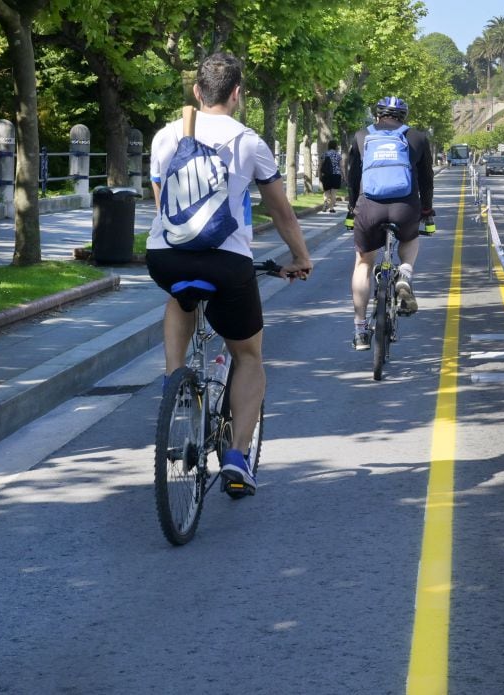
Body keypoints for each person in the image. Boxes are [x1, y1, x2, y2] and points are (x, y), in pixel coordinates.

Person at [146, 52, 312, 495]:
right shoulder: (249, 142)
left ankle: (174, 381)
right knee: (250, 356)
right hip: (226, 262)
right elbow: (281, 212)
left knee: (180, 294)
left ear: (197, 92)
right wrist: (299, 257)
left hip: (166, 257)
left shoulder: (166, 136)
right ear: (238, 94)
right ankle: (237, 456)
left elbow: (162, 200)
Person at [346, 96, 434, 351]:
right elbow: (426, 178)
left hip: (369, 206)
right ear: (403, 116)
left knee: (363, 263)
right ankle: (404, 273)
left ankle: (360, 330)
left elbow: (351, 176)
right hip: (405, 207)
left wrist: (353, 208)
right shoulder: (416, 137)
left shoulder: (362, 136)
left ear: (378, 115)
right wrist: (427, 209)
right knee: (410, 239)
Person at [318, 140, 342, 213]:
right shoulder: (338, 155)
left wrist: (320, 174)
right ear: (335, 146)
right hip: (336, 174)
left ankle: (325, 202)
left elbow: (321, 165)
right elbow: (341, 166)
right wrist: (344, 175)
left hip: (326, 174)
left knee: (327, 191)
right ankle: (331, 208)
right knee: (333, 193)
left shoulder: (324, 154)